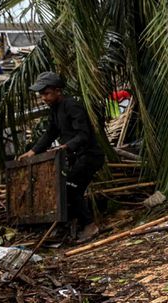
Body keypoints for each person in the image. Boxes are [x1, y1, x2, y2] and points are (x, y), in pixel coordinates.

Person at [17, 71, 105, 242]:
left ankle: (90, 225)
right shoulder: (55, 110)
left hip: (89, 157)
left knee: (71, 189)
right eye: (41, 94)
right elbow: (50, 133)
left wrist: (65, 147)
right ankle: (70, 225)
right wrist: (33, 151)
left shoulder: (72, 105)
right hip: (76, 158)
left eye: (47, 93)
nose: (44, 98)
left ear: (58, 91)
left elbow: (83, 134)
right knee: (68, 189)